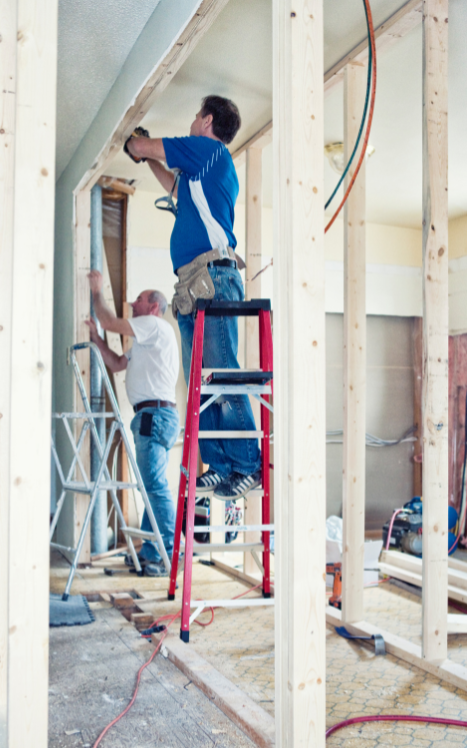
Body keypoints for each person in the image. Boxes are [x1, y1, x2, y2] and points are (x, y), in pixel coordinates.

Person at [124, 95, 262, 501]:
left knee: (221, 376)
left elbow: (145, 147)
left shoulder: (210, 151)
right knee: (202, 384)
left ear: (206, 120)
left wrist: (137, 143)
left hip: (212, 280)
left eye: (194, 115)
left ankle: (248, 464)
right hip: (193, 287)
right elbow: (173, 184)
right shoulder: (198, 174)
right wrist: (148, 158)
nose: (190, 122)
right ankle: (221, 466)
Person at [86, 270, 179, 577]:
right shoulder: (144, 342)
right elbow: (116, 364)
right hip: (151, 417)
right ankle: (153, 551)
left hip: (154, 416)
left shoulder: (154, 325)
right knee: (150, 487)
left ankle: (167, 555)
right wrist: (98, 340)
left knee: (154, 486)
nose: (133, 304)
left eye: (139, 300)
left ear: (154, 307)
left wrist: (97, 292)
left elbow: (111, 321)